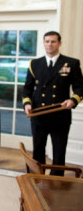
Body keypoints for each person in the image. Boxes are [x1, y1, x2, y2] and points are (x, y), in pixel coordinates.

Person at [22, 31, 83, 176]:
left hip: (60, 116)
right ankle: (37, 180)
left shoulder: (71, 63)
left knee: (59, 153)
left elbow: (80, 88)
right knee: (38, 152)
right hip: (38, 115)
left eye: (53, 41)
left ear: (59, 43)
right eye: (47, 41)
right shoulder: (34, 64)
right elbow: (27, 89)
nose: (50, 44)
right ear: (43, 43)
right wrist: (27, 104)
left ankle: (56, 184)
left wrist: (73, 100)